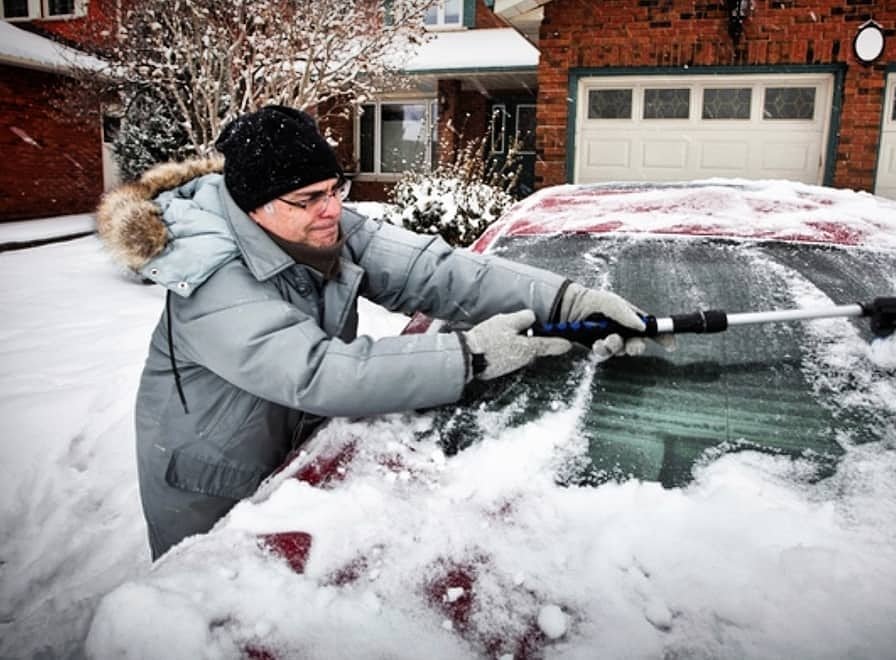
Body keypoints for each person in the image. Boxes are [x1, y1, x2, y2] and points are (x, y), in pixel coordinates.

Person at [96, 105, 665, 560]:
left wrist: (567, 298)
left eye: (336, 189)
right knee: (207, 620)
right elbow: (317, 372)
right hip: (209, 478)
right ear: (252, 209)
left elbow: (436, 272)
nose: (332, 210)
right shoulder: (209, 277)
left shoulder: (326, 226)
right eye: (309, 199)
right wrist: (473, 356)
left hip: (294, 450)